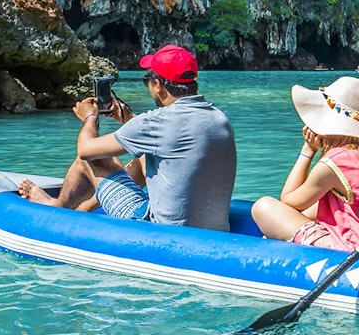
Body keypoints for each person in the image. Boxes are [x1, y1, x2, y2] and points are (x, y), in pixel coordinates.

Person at [18, 44, 236, 231]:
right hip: (213, 228)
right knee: (145, 156)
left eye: (147, 80)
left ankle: (56, 209)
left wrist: (90, 117)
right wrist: (129, 119)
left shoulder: (156, 122)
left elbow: (86, 150)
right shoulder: (219, 117)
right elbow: (171, 139)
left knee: (98, 160)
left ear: (158, 85)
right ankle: (82, 210)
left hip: (158, 228)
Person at [252, 76, 359, 261]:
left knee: (263, 207)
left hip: (358, 256)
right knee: (317, 206)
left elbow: (289, 200)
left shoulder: (338, 159)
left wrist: (308, 150)